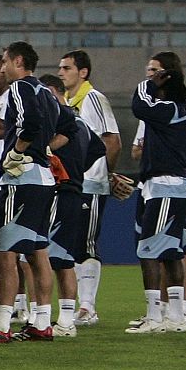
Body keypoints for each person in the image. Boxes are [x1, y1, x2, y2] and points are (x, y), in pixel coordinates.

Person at [0, 41, 60, 343]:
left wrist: (17, 151)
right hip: (43, 178)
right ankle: (41, 321)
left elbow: (29, 123)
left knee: (4, 252)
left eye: (4, 61)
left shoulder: (21, 88)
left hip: (22, 177)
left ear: (18, 61)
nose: (1, 67)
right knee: (38, 253)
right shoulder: (46, 91)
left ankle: (1, 324)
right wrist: (45, 149)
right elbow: (69, 126)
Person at [123, 52, 186, 334]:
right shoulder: (185, 111)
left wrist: (146, 85)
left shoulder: (170, 108)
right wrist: (183, 175)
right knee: (171, 252)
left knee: (147, 251)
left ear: (167, 76)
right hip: (173, 185)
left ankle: (154, 317)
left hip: (165, 187)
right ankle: (177, 315)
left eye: (155, 71)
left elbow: (139, 106)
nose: (149, 76)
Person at [56, 50, 122, 326]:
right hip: (74, 182)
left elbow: (112, 139)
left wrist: (107, 173)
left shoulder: (93, 99)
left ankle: (88, 307)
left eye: (67, 68)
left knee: (86, 244)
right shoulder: (70, 101)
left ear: (83, 72)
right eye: (60, 68)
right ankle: (76, 307)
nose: (61, 72)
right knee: (70, 244)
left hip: (91, 183)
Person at [39, 73, 107, 337]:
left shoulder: (56, 121)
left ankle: (41, 317)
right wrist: (77, 171)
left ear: (53, 92)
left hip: (58, 192)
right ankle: (65, 320)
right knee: (65, 258)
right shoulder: (80, 122)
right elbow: (97, 150)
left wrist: (64, 170)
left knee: (40, 257)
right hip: (76, 193)